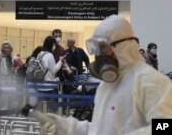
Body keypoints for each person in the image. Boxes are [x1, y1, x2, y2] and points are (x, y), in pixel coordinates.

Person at [35, 15, 172, 135]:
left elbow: (165, 127)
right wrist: (69, 127)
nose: (98, 55)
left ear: (123, 46)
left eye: (103, 48)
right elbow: (99, 130)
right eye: (96, 48)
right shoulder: (106, 86)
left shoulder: (152, 82)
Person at [36, 36, 65, 112]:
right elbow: (54, 71)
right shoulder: (50, 55)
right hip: (48, 86)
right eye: (54, 44)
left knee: (41, 108)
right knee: (48, 109)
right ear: (51, 44)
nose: (55, 46)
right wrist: (60, 61)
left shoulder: (40, 54)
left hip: (39, 85)